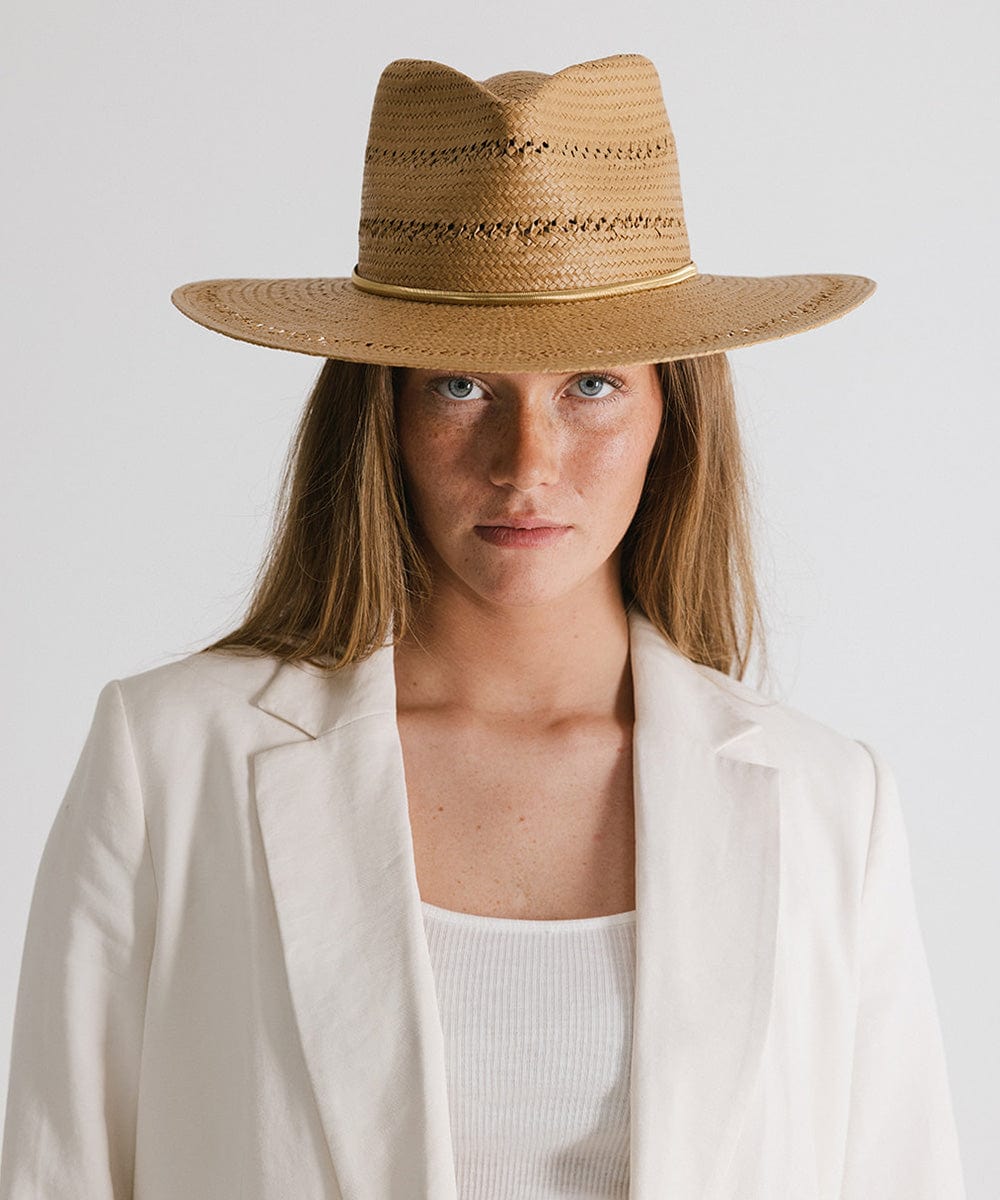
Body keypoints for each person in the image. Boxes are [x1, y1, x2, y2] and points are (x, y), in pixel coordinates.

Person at [0, 52, 967, 1200]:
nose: (528, 464)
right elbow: (55, 1172)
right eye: (463, 387)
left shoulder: (823, 802)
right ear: (385, 414)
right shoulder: (173, 760)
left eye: (590, 386)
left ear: (675, 411)